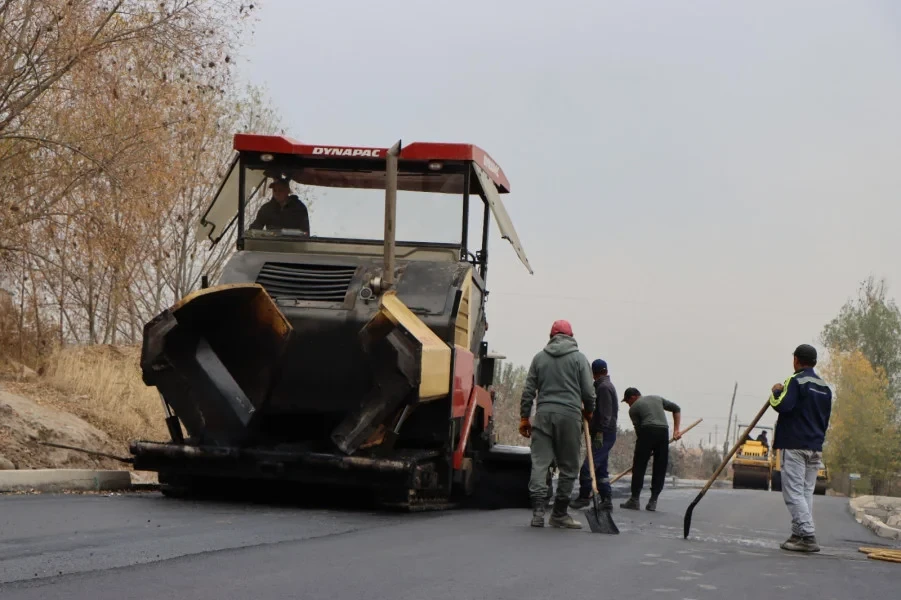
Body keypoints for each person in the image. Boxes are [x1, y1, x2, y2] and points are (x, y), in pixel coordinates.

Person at [519, 319, 596, 529]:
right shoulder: (580, 359)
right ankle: (559, 514)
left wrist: (525, 417)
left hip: (543, 415)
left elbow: (528, 391)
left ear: (551, 336)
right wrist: (589, 410)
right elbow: (589, 392)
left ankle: (537, 512)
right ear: (571, 336)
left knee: (539, 463)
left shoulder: (539, 358)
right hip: (570, 417)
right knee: (569, 466)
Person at [769, 343, 832, 553]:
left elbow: (782, 405)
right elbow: (825, 420)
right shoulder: (824, 387)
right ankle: (798, 534)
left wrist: (775, 393)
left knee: (794, 492)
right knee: (805, 493)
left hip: (794, 445)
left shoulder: (795, 381)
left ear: (796, 360)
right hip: (815, 446)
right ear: (814, 362)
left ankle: (808, 535)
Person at [619, 388, 681, 511]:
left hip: (647, 431)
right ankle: (653, 501)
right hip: (663, 432)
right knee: (660, 467)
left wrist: (645, 449)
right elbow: (676, 409)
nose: (628, 405)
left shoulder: (634, 408)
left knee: (639, 466)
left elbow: (639, 431)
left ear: (633, 397)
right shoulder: (657, 398)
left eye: (627, 402)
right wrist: (676, 431)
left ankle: (634, 500)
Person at [571, 358, 618, 511]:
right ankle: (606, 500)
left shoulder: (603, 388)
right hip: (604, 433)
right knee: (601, 469)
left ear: (593, 373)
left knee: (587, 468)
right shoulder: (604, 386)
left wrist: (598, 432)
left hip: (603, 434)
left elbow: (605, 415)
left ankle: (584, 497)